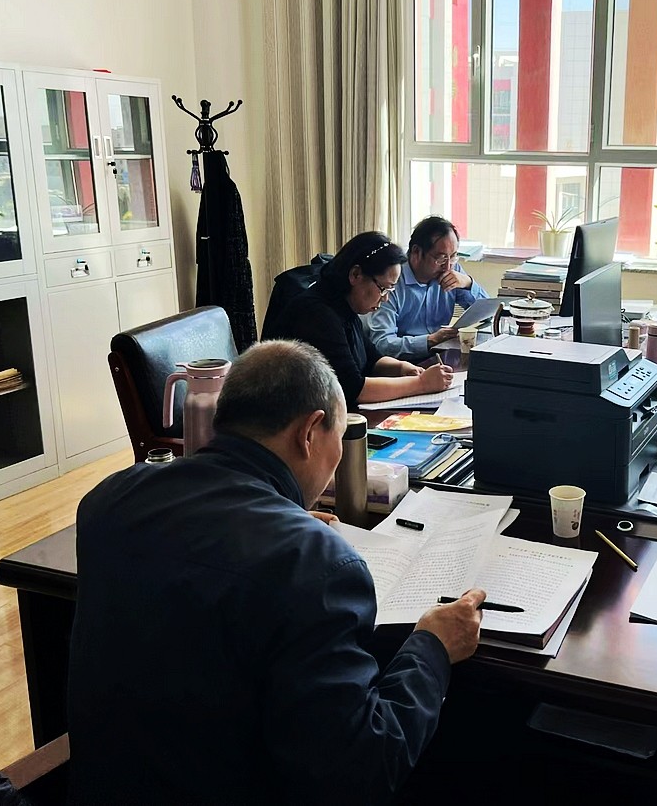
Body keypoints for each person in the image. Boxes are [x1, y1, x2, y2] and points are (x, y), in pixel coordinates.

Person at [68, 341, 486, 806]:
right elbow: (360, 771)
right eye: (338, 437)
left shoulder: (108, 501)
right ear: (309, 433)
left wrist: (278, 519)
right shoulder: (317, 565)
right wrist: (431, 648)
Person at [262, 231, 454, 410]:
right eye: (383, 289)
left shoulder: (344, 304)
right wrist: (421, 384)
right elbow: (353, 389)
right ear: (355, 275)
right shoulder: (317, 313)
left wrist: (403, 368)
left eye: (390, 290)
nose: (385, 298)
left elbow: (372, 358)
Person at [368, 216, 489, 361]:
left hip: (440, 358)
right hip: (402, 365)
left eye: (453, 257)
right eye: (441, 258)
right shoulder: (391, 281)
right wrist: (430, 340)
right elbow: (383, 344)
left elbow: (489, 314)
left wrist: (468, 283)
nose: (448, 266)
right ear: (416, 252)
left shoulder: (452, 271)